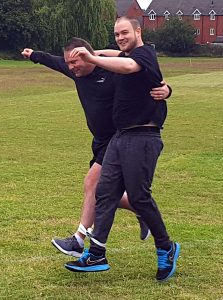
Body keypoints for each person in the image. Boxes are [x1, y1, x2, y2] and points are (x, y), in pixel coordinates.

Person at [21, 38, 172, 258]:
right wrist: (34, 55)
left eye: (75, 63)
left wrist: (168, 90)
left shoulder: (111, 71)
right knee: (105, 192)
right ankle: (141, 211)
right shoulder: (75, 69)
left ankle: (78, 240)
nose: (72, 68)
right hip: (100, 140)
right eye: (69, 64)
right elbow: (54, 61)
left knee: (92, 183)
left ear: (87, 57)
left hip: (119, 137)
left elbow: (145, 76)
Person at [64, 17, 180, 282]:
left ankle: (166, 246)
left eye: (124, 32)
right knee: (105, 193)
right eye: (116, 33)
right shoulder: (126, 53)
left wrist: (92, 59)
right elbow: (119, 54)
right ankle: (97, 254)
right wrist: (96, 52)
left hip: (143, 135)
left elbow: (128, 64)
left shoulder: (145, 54)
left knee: (139, 197)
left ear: (138, 31)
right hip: (120, 136)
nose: (120, 37)